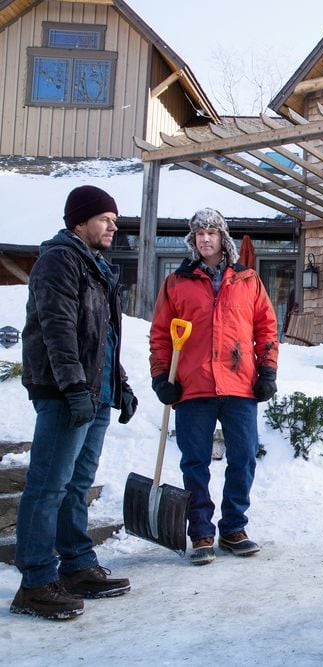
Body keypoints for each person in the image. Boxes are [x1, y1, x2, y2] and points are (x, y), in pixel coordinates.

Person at [12, 185, 137, 620]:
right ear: (79, 221)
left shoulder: (97, 267)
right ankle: (35, 582)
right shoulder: (58, 261)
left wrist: (120, 385)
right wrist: (73, 390)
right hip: (66, 393)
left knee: (77, 486)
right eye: (105, 218)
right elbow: (58, 330)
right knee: (48, 487)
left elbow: (103, 338)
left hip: (94, 394)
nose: (113, 226)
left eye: (114, 220)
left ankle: (77, 565)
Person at [149, 208, 279, 566]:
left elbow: (266, 328)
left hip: (239, 385)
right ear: (193, 240)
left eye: (211, 232)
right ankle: (201, 531)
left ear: (223, 237)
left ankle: (234, 527)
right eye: (199, 233)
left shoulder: (248, 279)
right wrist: (162, 377)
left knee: (243, 458)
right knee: (195, 463)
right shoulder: (177, 282)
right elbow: (161, 334)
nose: (205, 238)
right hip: (194, 386)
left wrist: (267, 371)